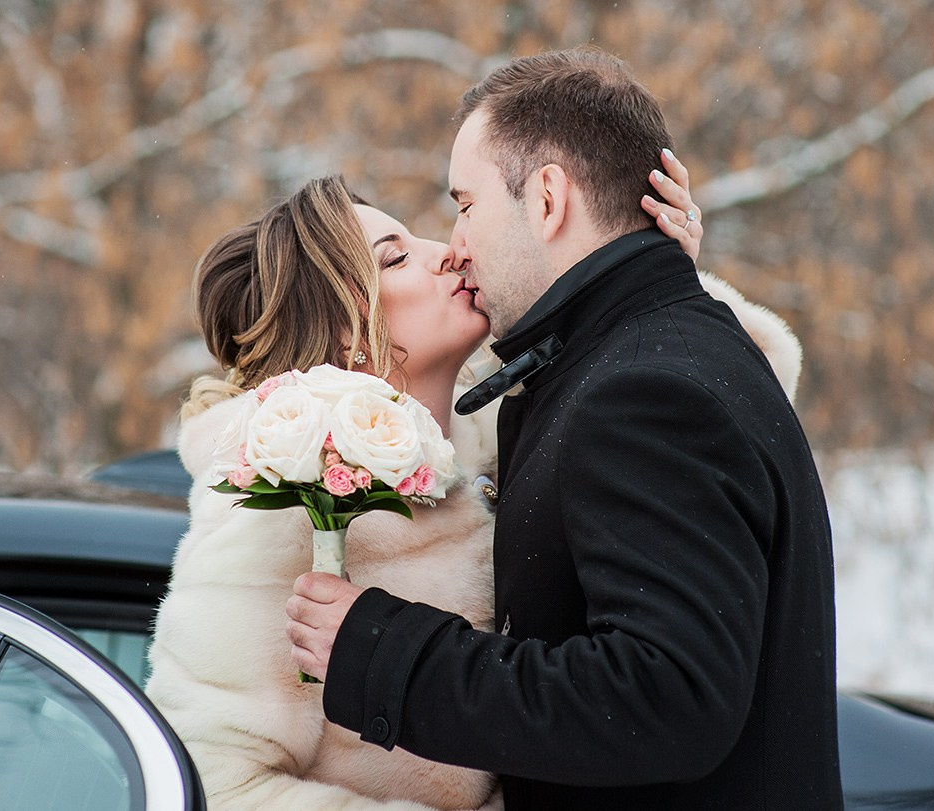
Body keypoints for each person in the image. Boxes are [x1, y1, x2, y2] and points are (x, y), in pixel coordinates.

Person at [286, 47, 842, 810]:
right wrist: (649, 273)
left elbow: (668, 695)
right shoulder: (644, 362)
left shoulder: (642, 391)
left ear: (547, 198)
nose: (455, 242)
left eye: (466, 204)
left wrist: (391, 658)